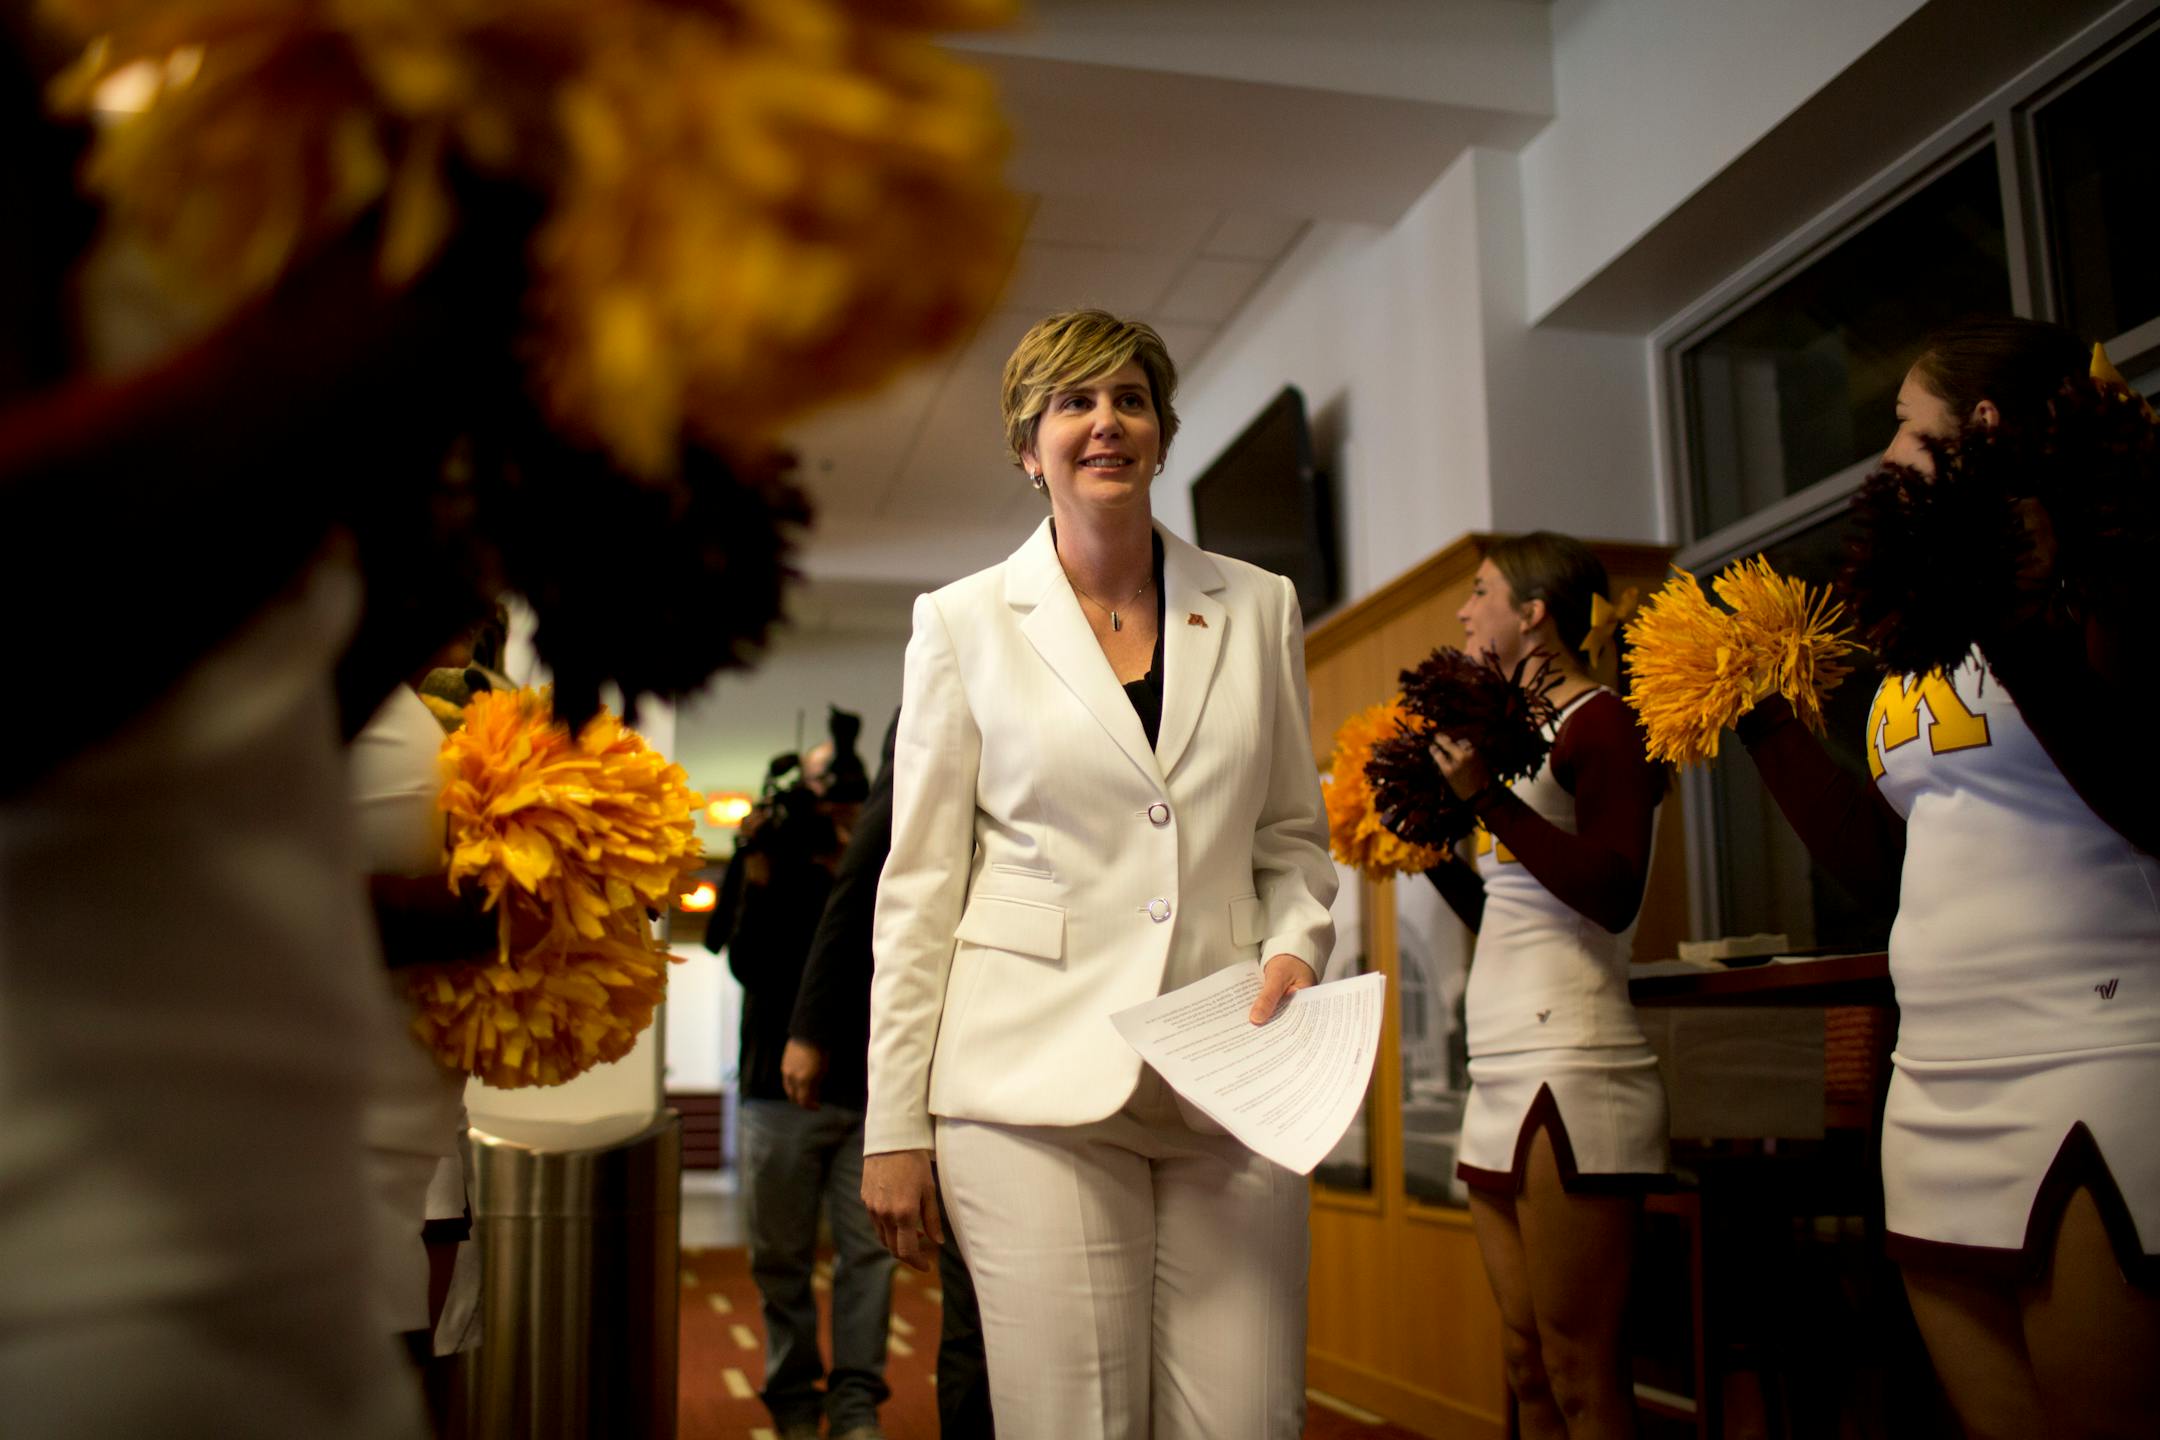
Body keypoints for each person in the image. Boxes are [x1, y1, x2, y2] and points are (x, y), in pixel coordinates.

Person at [860, 309, 1337, 1437]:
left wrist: (1292, 947)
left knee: (1250, 1419)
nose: (1105, 422)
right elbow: (920, 885)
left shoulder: (1260, 605)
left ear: (1163, 434)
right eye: (1072, 404)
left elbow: (1290, 840)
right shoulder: (963, 623)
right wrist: (895, 1123)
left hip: (1232, 1069)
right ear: (1031, 449)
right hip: (1029, 1084)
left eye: (1128, 400)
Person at [1734, 317, 2160, 1439]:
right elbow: (1891, 864)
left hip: (2095, 1058)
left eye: (1902, 425)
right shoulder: (1920, 620)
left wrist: (2011, 616)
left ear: (1979, 425)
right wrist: (1762, 721)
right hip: (1934, 1077)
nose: (1883, 457)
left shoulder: (2110, 565)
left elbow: (2150, 793)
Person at [1417, 533, 1668, 1439]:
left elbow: (1610, 892)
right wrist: (1435, 857)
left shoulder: (1603, 720)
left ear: (1532, 613)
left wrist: (1487, 801)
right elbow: (1516, 908)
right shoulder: (1515, 736)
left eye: (1480, 591)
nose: (1463, 611)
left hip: (1575, 1062)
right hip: (1500, 1058)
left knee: (1577, 1364)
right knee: (1524, 1361)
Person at [787, 710, 996, 1438]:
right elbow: (873, 884)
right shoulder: (957, 681)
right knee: (981, 1315)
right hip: (978, 1056)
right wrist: (811, 1029)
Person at [721, 715, 894, 1440]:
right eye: (828, 794)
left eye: (850, 796)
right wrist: (757, 870)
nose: (839, 809)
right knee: (780, 1260)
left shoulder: (884, 854)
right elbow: (742, 961)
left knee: (870, 1260)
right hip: (774, 1092)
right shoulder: (774, 858)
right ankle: (793, 1402)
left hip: (869, 1091)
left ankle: (855, 1408)